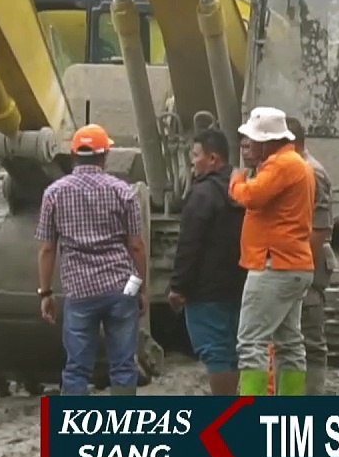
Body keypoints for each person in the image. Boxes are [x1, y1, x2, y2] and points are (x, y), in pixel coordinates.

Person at [35, 124, 148, 395]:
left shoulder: (54, 193)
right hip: (121, 288)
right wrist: (141, 289)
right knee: (123, 366)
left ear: (73, 154)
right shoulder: (123, 191)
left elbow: (47, 249)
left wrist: (46, 292)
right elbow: (136, 246)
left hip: (80, 292)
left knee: (76, 368)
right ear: (105, 155)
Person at [229, 107, 316, 396]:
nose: (247, 146)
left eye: (252, 140)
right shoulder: (297, 163)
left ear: (267, 141)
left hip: (274, 265)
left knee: (251, 341)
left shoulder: (281, 165)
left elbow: (251, 196)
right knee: (289, 343)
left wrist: (237, 181)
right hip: (293, 264)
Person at [168, 129, 247, 395]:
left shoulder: (202, 194)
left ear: (213, 159)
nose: (192, 161)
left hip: (206, 291)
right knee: (236, 350)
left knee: (215, 353)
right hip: (240, 285)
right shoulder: (244, 189)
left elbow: (189, 245)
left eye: (195, 155)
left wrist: (178, 287)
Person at [286, 117, 336, 395]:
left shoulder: (311, 172)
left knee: (309, 339)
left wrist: (300, 266)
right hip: (299, 259)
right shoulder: (298, 169)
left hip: (307, 261)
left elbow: (319, 227)